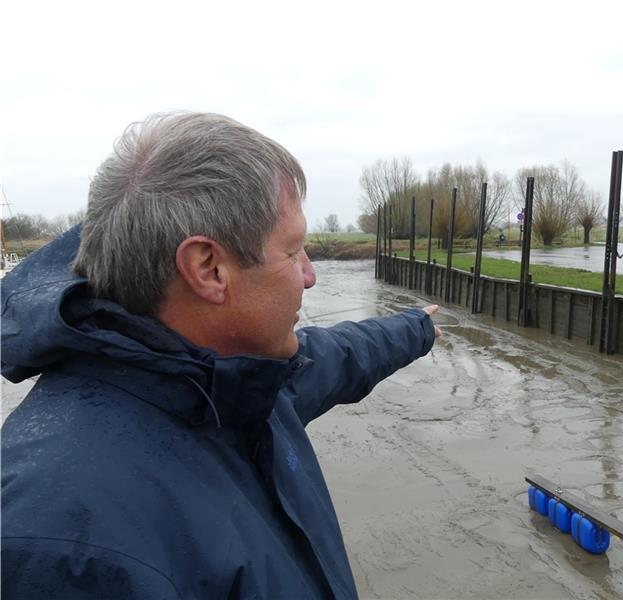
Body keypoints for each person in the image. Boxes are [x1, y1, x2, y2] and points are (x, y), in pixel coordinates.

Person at [1, 112, 440, 599]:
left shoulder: (236, 383)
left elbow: (339, 355)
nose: (310, 276)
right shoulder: (62, 541)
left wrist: (416, 327)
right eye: (294, 252)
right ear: (208, 268)